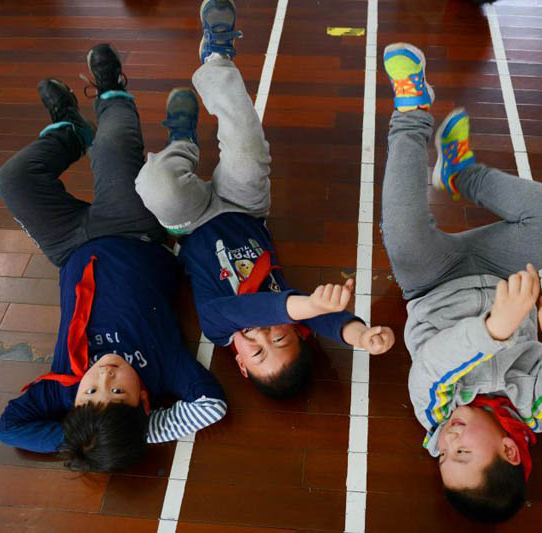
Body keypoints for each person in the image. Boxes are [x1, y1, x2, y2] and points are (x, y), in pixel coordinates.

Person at [380, 43, 542, 522]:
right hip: (499, 270)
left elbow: (431, 367)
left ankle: (411, 111)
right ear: (509, 450)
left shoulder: (436, 414)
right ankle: (463, 174)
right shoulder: (534, 409)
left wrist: (495, 330)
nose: (448, 442)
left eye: (444, 456)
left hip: (431, 283)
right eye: (462, 453)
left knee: (400, 234)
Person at [134, 0, 395, 399]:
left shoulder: (218, 326)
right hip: (244, 209)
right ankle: (217, 57)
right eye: (281, 339)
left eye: (257, 352)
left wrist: (308, 307)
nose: (264, 335)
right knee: (249, 149)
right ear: (297, 331)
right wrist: (359, 335)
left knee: (157, 186)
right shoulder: (293, 310)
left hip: (191, 224)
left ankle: (182, 140)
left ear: (240, 363)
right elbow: (324, 319)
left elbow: (257, 310)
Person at [0, 43, 227, 472]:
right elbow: (212, 404)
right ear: (144, 402)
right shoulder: (165, 371)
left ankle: (69, 131)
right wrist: (132, 432)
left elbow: (9, 428)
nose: (103, 377)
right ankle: (111, 91)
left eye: (91, 394)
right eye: (118, 393)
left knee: (13, 181)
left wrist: (87, 439)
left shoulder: (63, 389)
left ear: (75, 405)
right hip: (134, 232)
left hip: (69, 247)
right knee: (113, 146)